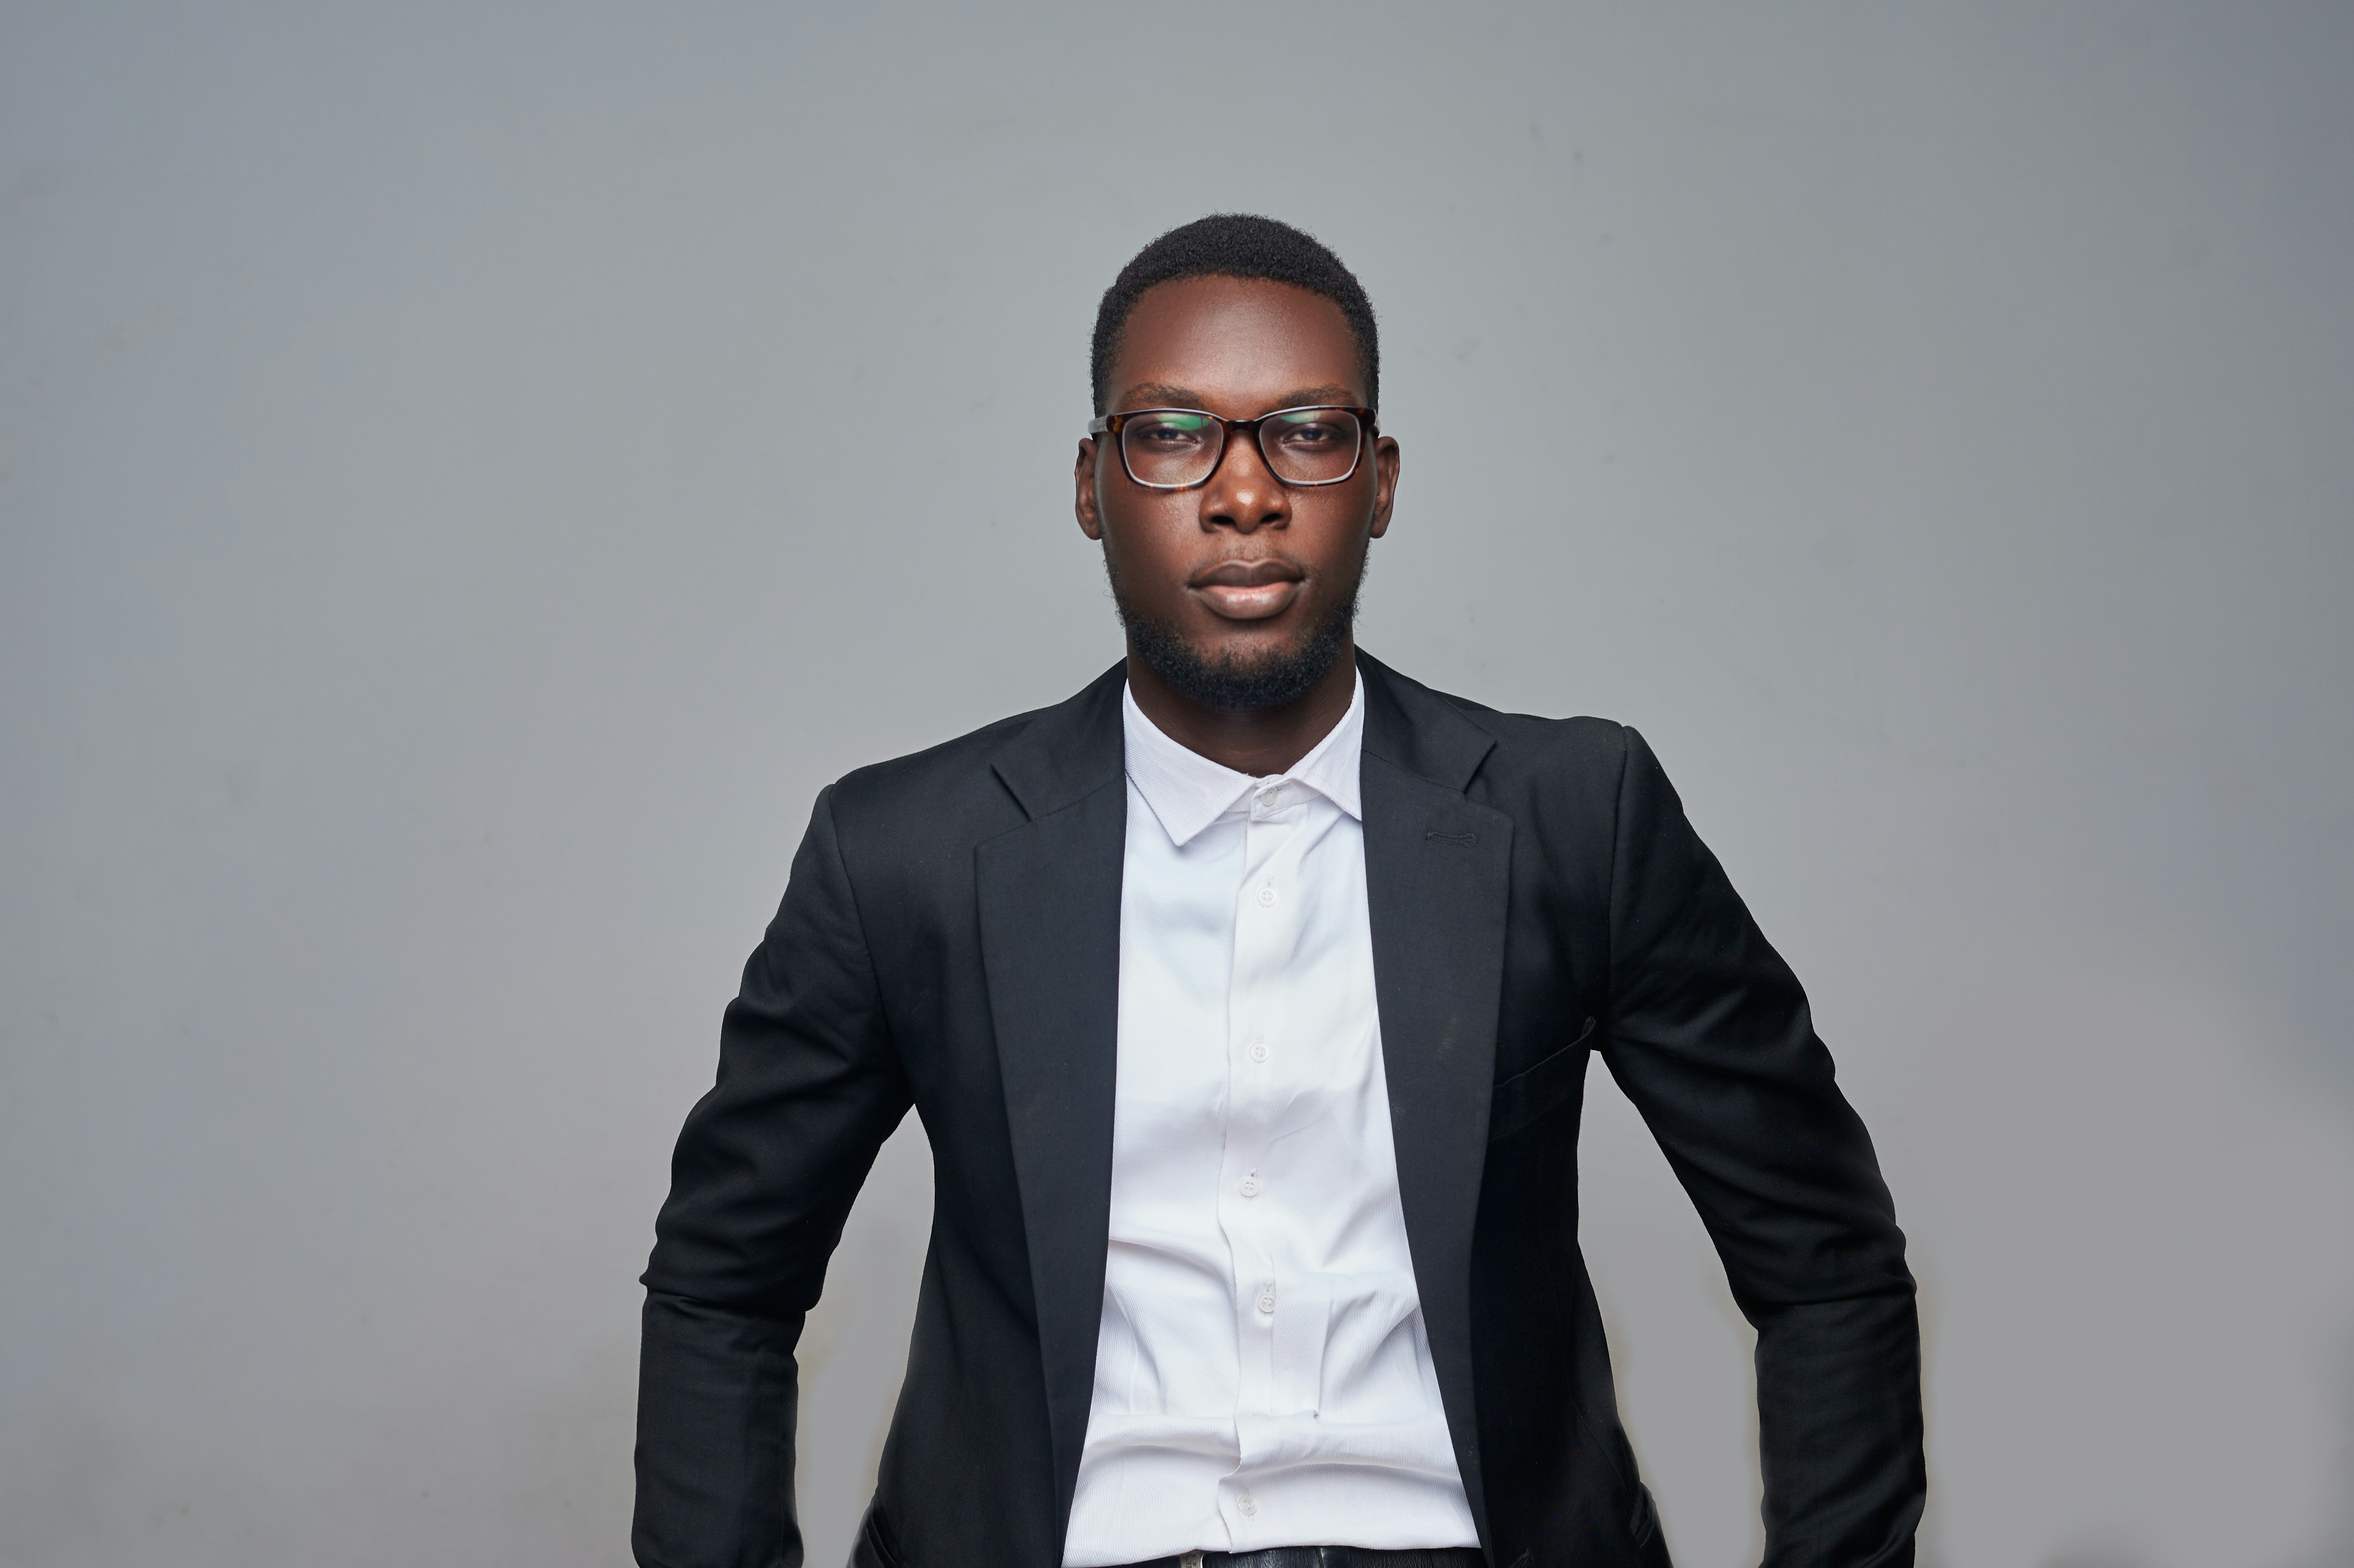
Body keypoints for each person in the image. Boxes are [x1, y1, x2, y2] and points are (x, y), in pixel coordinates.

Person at [632, 214, 1923, 1568]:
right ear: (1091, 486)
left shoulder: (1572, 821)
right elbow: (724, 1281)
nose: (1244, 494)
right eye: (1170, 434)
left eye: (1309, 433)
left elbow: (1826, 1259)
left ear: (1381, 484)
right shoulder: (907, 853)